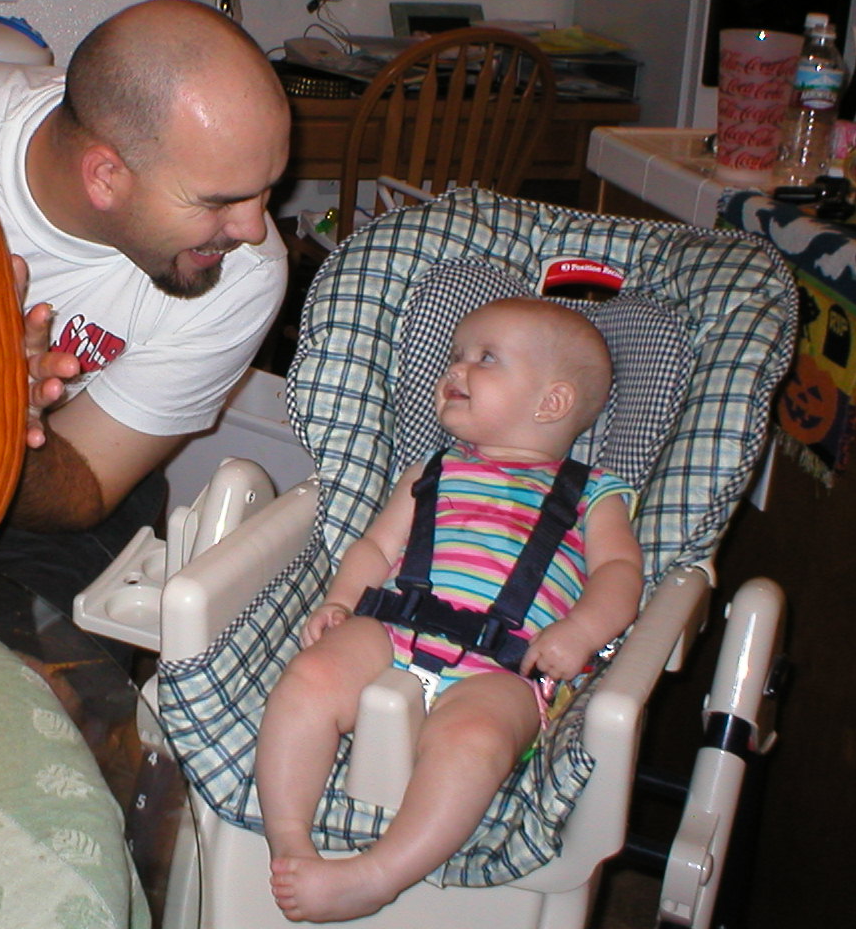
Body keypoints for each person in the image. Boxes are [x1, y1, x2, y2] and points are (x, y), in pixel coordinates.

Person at [0, 0, 290, 621]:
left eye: (267, 190)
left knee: (37, 685)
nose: (255, 229)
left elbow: (86, 487)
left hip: (41, 485)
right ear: (103, 176)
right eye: (220, 200)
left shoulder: (244, 277)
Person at [254, 297, 643, 922]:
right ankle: (290, 840)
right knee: (309, 678)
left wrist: (582, 633)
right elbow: (377, 547)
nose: (456, 369)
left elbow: (622, 575)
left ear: (551, 403)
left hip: (507, 666)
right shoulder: (430, 472)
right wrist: (340, 601)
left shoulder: (594, 493)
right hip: (395, 627)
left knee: (476, 743)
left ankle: (380, 874)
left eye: (485, 359)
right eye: (456, 355)